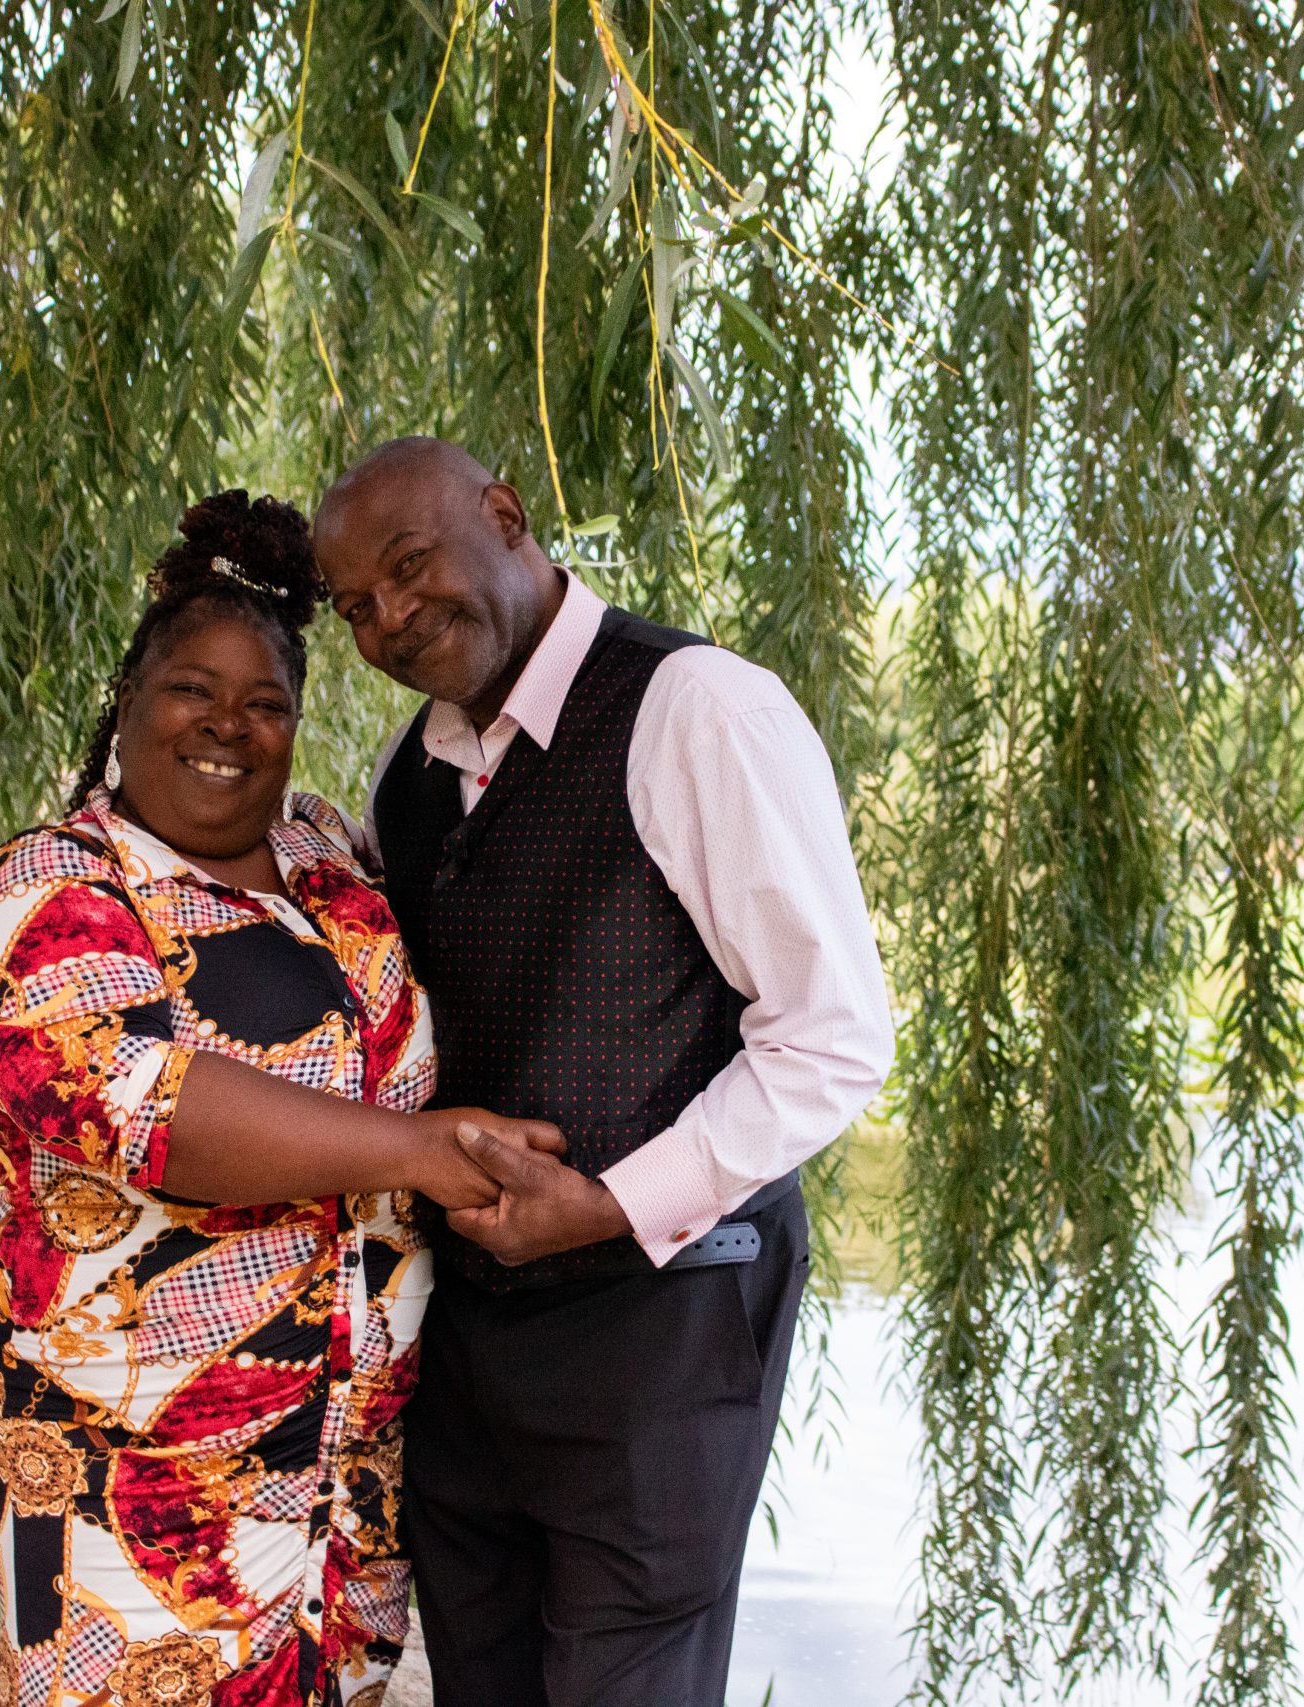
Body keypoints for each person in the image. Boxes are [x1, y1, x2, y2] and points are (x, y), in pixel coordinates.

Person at [0, 490, 557, 1707]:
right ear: (126, 706)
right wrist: (418, 1150)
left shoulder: (329, 858)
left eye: (266, 702)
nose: (229, 724)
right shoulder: (52, 893)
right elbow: (145, 1109)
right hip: (140, 1480)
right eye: (191, 690)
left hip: (341, 1491)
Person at [314, 438, 895, 1707]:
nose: (390, 621)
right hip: (464, 1345)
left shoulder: (699, 709)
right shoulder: (409, 775)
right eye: (356, 606)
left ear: (507, 517)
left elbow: (831, 1032)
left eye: (408, 570)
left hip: (662, 1329)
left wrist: (613, 1203)